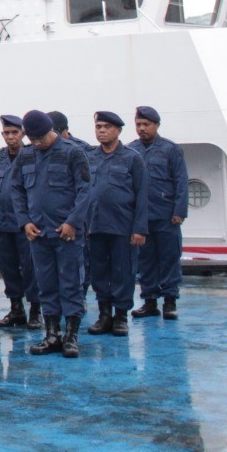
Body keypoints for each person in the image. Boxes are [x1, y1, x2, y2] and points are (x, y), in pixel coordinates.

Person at [15, 110, 91, 358]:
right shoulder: (26, 155)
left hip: (65, 233)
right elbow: (16, 189)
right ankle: (51, 334)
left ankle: (71, 336)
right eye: (32, 139)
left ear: (51, 131)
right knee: (45, 284)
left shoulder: (73, 153)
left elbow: (85, 190)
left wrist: (73, 222)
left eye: (40, 139)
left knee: (70, 284)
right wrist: (24, 221)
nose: (36, 144)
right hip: (38, 233)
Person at [83, 111, 149, 338]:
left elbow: (142, 195)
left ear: (118, 130)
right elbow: (83, 192)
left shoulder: (132, 158)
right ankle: (104, 315)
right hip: (95, 225)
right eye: (98, 126)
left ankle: (120, 315)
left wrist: (139, 228)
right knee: (99, 272)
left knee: (123, 272)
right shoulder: (90, 157)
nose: (101, 130)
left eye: (107, 127)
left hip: (123, 226)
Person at [131, 106, 188, 321]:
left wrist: (179, 211)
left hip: (166, 215)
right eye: (139, 125)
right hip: (142, 218)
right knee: (145, 260)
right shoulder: (131, 150)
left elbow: (181, 181)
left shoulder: (171, 150)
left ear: (156, 125)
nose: (142, 129)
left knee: (169, 258)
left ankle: (170, 302)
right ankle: (150, 302)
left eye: (146, 125)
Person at [0, 115, 40, 329]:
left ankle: (36, 310)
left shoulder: (33, 156)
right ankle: (16, 308)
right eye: (6, 133)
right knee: (8, 268)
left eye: (14, 133)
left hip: (26, 223)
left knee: (31, 268)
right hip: (2, 222)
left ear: (22, 134)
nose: (10, 137)